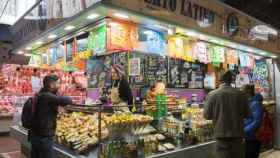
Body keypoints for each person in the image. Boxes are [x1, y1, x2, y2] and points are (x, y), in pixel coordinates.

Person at [204, 70, 250, 158]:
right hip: (237, 135)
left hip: (221, 136)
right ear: (231, 80)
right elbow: (247, 114)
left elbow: (207, 115)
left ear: (219, 80)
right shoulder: (241, 94)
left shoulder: (212, 95)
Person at [30, 75, 73, 158]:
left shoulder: (40, 94)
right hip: (44, 136)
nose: (59, 86)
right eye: (58, 83)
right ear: (51, 84)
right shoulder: (47, 96)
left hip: (35, 134)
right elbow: (68, 100)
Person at [243, 84, 263, 158]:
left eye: (243, 91)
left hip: (254, 136)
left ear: (248, 91)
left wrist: (244, 130)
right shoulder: (250, 102)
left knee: (251, 154)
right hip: (249, 136)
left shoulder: (255, 103)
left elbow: (257, 121)